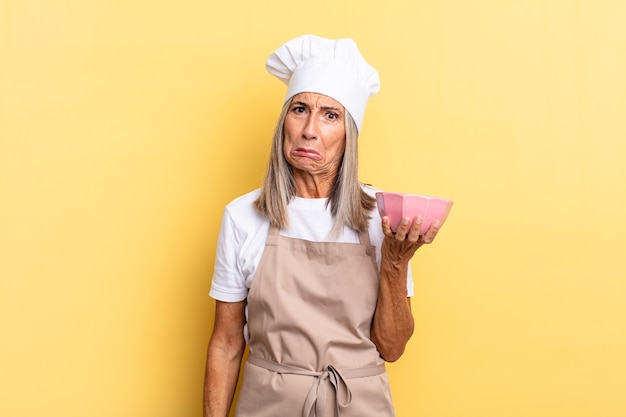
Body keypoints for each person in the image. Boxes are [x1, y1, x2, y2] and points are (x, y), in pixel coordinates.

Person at [203, 34, 441, 417]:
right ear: (284, 122)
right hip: (268, 405)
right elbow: (227, 343)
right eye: (299, 110)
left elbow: (392, 348)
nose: (309, 129)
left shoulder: (382, 219)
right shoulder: (242, 216)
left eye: (330, 115)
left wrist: (395, 263)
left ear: (349, 136)